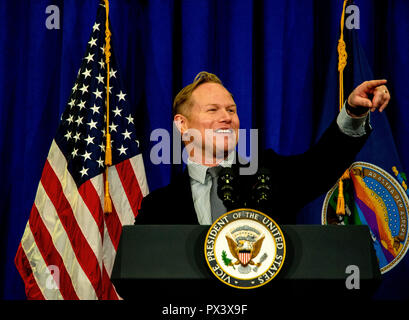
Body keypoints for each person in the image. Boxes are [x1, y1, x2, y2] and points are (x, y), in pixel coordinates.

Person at [135, 71, 390, 225]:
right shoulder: (157, 206)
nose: (227, 117)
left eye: (231, 110)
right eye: (212, 110)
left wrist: (353, 112)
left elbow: (320, 165)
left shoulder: (269, 174)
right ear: (182, 124)